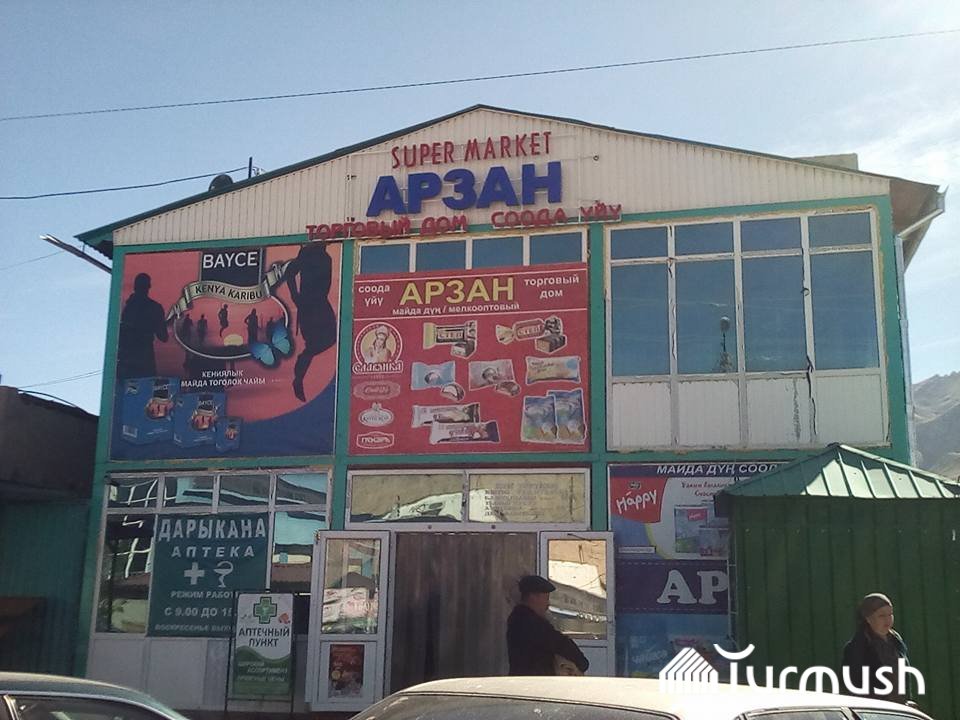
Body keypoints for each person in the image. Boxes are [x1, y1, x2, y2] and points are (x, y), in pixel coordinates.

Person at [285, 242, 337, 402]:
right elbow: (290, 272)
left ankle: (301, 367)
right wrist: (295, 296)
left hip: (321, 303)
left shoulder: (326, 257)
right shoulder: (308, 255)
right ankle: (298, 378)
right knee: (314, 343)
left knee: (331, 338)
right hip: (309, 305)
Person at [506, 575, 588, 676]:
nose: (548, 604)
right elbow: (558, 642)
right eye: (546, 598)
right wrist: (581, 662)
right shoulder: (528, 621)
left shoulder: (520, 618)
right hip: (533, 680)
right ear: (533, 597)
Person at [841, 593, 911, 703]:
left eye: (890, 614)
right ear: (868, 619)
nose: (888, 619)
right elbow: (853, 686)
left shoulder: (896, 641)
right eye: (881, 616)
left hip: (899, 707)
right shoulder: (857, 647)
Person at [117, 272, 168, 379]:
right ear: (148, 286)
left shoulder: (127, 307)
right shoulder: (154, 307)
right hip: (143, 360)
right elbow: (163, 336)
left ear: (135, 287)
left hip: (126, 361)